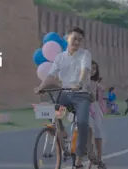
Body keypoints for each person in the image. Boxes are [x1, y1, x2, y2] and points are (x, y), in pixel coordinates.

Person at [34, 27, 101, 169]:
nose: (76, 42)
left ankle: (78, 159)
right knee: (49, 110)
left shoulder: (85, 54)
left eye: (79, 40)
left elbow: (85, 70)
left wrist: (80, 83)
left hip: (81, 94)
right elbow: (51, 75)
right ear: (68, 38)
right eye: (74, 38)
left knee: (82, 123)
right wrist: (41, 87)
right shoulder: (60, 57)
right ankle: (61, 132)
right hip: (65, 93)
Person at [87, 60, 107, 169]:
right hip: (84, 107)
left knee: (98, 132)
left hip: (93, 107)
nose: (92, 71)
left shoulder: (94, 83)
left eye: (94, 69)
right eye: (90, 68)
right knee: (88, 132)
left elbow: (96, 97)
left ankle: (99, 158)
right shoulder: (81, 80)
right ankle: (89, 157)